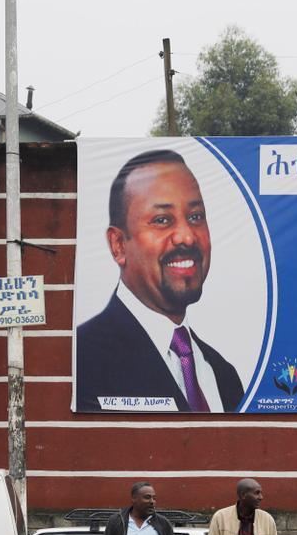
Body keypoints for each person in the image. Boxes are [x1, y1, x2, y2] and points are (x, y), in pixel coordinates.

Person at [76, 150, 244, 412]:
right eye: (162, 220)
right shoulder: (84, 360)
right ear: (118, 245)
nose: (187, 237)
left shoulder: (224, 376)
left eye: (196, 216)